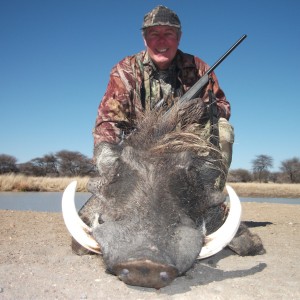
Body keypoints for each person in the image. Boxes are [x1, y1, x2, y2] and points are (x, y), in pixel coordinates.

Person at [92, 5, 234, 190]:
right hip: (140, 149)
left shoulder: (199, 68)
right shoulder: (125, 69)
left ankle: (210, 198)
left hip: (186, 146)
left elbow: (223, 105)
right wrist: (110, 160)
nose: (161, 41)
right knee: (110, 158)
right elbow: (109, 119)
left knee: (223, 130)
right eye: (153, 34)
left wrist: (202, 110)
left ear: (179, 37)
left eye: (168, 33)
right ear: (144, 39)